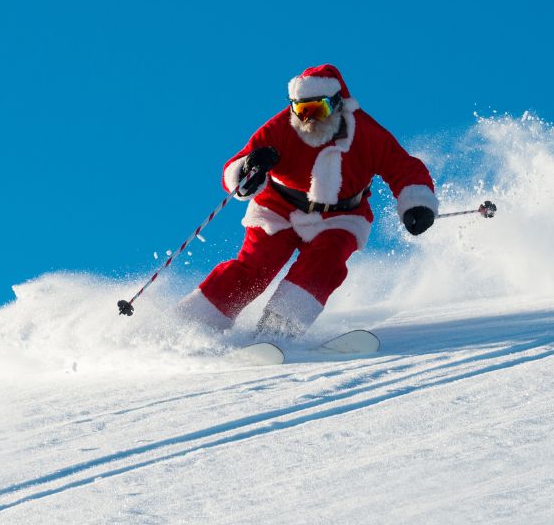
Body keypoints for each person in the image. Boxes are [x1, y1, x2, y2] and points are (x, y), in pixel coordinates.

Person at [176, 64, 437, 338]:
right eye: (302, 110)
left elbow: (403, 167)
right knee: (257, 265)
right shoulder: (280, 128)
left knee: (326, 261)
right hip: (279, 209)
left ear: (337, 104)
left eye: (318, 109)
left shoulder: (366, 133)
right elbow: (237, 167)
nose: (309, 119)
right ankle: (191, 325)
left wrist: (416, 202)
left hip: (340, 216)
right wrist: (249, 172)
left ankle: (278, 329)